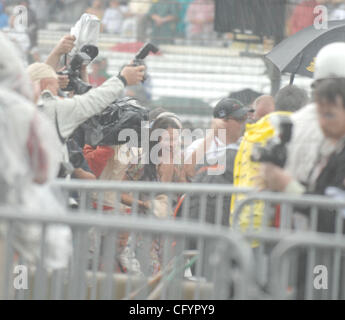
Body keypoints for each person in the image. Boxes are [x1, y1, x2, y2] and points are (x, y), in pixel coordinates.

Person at [184, 98, 249, 181]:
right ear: (222, 122)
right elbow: (190, 171)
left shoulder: (247, 143)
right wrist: (212, 133)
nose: (244, 123)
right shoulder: (200, 145)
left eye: (245, 119)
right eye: (240, 119)